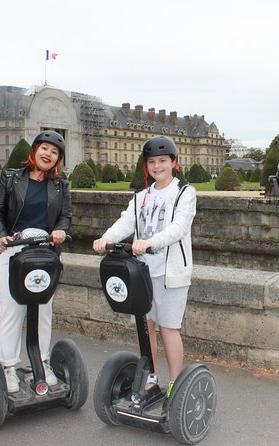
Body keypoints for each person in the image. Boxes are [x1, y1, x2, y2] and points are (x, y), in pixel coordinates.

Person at [93, 135, 196, 395]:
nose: (157, 166)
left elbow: (179, 228)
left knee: (169, 328)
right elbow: (126, 222)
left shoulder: (185, 192)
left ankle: (176, 384)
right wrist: (106, 238)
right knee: (145, 326)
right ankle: (150, 377)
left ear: (174, 162)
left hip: (170, 273)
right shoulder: (141, 196)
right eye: (152, 162)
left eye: (163, 161)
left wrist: (150, 242)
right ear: (146, 165)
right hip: (142, 273)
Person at [0, 130, 72, 393]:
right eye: (44, 148)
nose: (48, 154)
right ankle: (9, 367)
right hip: (10, 253)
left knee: (44, 310)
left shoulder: (60, 185)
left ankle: (42, 362)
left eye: (54, 152)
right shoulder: (11, 178)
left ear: (58, 160)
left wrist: (59, 230)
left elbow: (65, 216)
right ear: (34, 151)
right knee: (12, 310)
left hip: (43, 256)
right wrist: (1, 236)